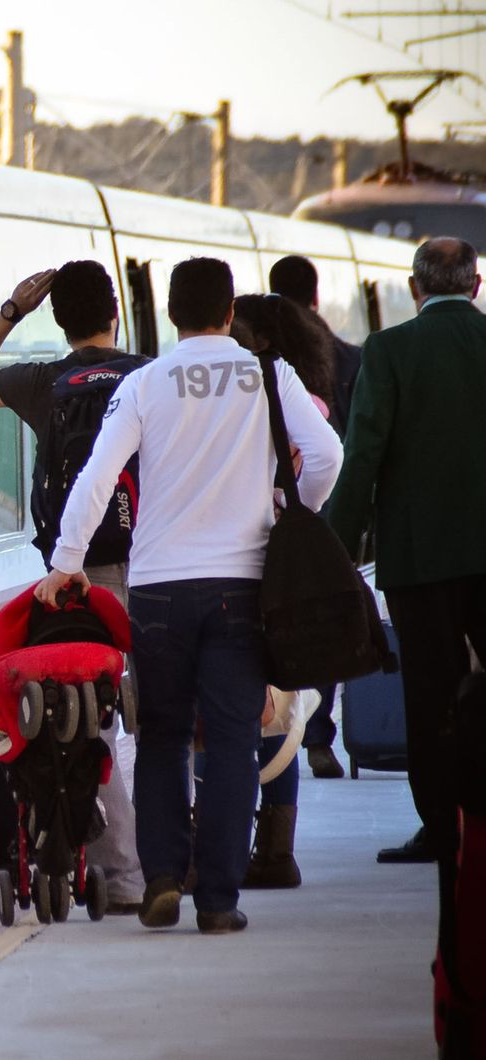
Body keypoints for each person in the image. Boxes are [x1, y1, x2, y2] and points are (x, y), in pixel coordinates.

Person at [36, 258, 342, 935]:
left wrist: (66, 561)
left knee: (164, 737)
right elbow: (326, 456)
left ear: (170, 315)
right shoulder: (268, 375)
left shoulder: (144, 383)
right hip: (241, 584)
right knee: (233, 741)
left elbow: (97, 475)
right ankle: (219, 900)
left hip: (158, 590)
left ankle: (164, 879)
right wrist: (293, 517)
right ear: (229, 313)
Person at [0, 259, 150, 915]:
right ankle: (182, 859)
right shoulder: (151, 374)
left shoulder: (46, 382)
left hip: (78, 579)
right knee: (171, 720)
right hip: (159, 565)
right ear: (116, 312)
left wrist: (11, 311)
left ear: (59, 321)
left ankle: (123, 877)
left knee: (91, 723)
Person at [324, 238, 485, 1001]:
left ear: (414, 288)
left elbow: (365, 453)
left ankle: (439, 823)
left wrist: (330, 544)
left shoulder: (389, 351)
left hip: (420, 557)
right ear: (477, 285)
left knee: (431, 692)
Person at [220, 292, 338, 890]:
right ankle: (275, 849)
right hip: (281, 564)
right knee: (280, 701)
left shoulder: (240, 397)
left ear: (259, 341)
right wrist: (301, 514)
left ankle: (231, 843)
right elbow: (322, 459)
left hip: (240, 560)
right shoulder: (305, 400)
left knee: (228, 700)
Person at [269, 254, 364, 780]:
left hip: (272, 513)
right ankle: (318, 731)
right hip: (327, 514)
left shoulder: (259, 359)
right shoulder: (348, 360)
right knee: (322, 620)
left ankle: (283, 729)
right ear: (317, 296)